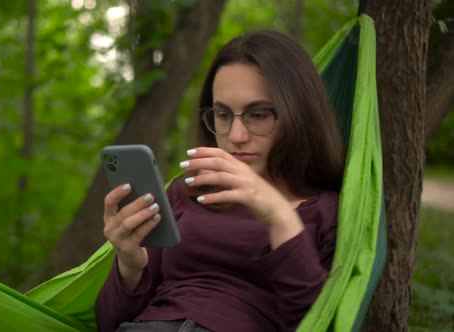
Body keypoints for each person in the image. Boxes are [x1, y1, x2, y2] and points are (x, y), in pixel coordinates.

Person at [95, 29, 344, 332]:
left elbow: (316, 323)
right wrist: (130, 264)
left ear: (298, 115)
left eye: (259, 114)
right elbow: (109, 324)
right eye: (223, 115)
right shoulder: (185, 193)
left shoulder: (328, 212)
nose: (236, 137)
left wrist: (278, 215)